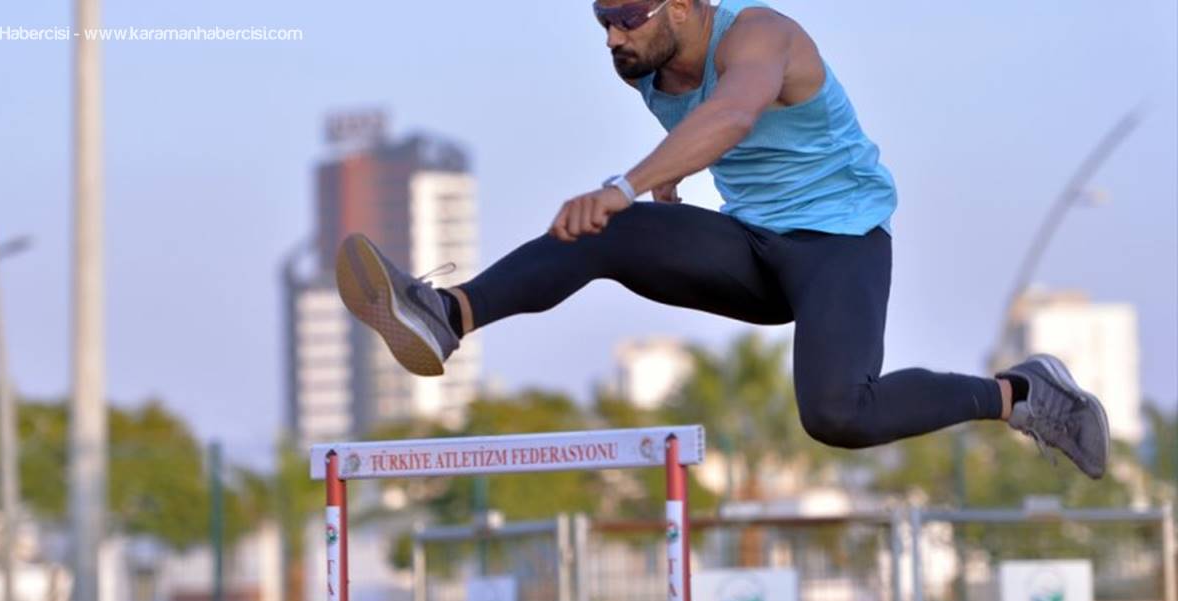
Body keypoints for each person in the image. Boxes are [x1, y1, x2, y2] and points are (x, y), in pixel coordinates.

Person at [333, 0, 1110, 478]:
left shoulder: (764, 35)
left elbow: (735, 115)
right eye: (601, 20)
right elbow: (716, 139)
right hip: (753, 249)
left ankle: (1022, 394)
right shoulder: (647, 72)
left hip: (840, 247)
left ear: (683, 4)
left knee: (838, 414)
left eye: (628, 18)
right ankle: (446, 315)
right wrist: (664, 187)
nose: (612, 38)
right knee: (606, 232)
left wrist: (628, 183)